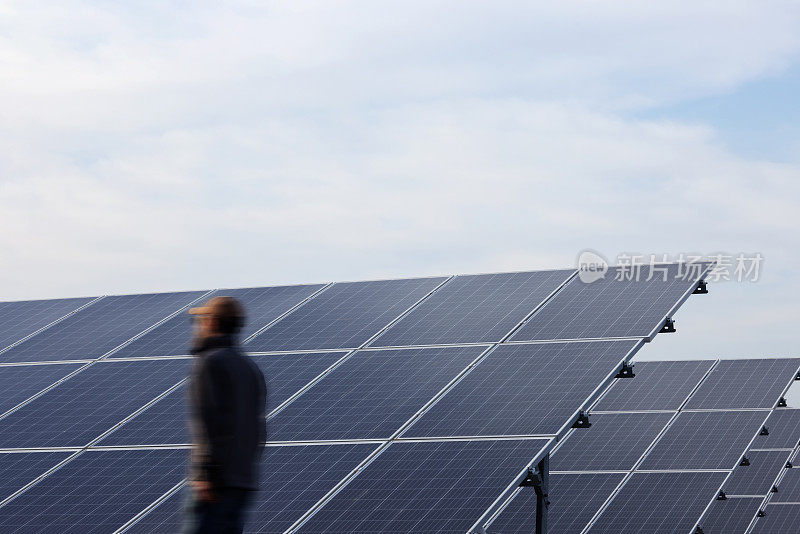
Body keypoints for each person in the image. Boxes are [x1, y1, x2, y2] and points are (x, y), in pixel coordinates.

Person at [184, 296, 267, 534]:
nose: (199, 325)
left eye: (202, 319)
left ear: (213, 322)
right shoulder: (249, 367)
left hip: (215, 483)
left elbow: (207, 423)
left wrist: (205, 474)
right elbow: (258, 429)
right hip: (243, 480)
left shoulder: (210, 363)